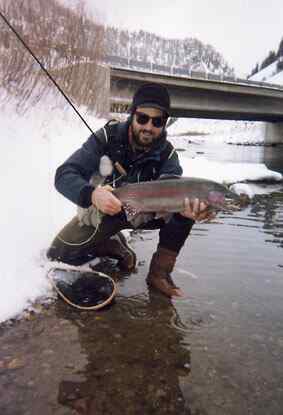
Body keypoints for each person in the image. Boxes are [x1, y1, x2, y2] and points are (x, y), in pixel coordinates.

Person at [47, 83, 211, 297]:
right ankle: (113, 244)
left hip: (147, 213)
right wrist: (93, 194)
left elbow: (177, 195)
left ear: (164, 123)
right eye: (143, 118)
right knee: (59, 254)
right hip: (106, 210)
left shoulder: (168, 155)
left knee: (184, 204)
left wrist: (188, 213)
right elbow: (64, 175)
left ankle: (159, 273)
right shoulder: (106, 137)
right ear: (132, 114)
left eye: (157, 121)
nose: (149, 127)